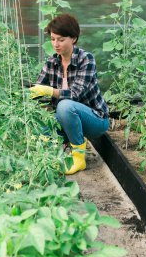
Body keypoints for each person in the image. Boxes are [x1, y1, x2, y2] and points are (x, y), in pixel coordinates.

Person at [29, 13, 109, 175]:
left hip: (95, 119)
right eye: (52, 39)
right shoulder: (52, 63)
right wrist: (26, 95)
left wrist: (50, 91)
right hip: (67, 119)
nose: (56, 44)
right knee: (39, 128)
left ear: (73, 38)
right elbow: (37, 91)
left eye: (61, 39)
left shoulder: (86, 59)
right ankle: (50, 158)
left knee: (65, 106)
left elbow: (75, 94)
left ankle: (79, 158)